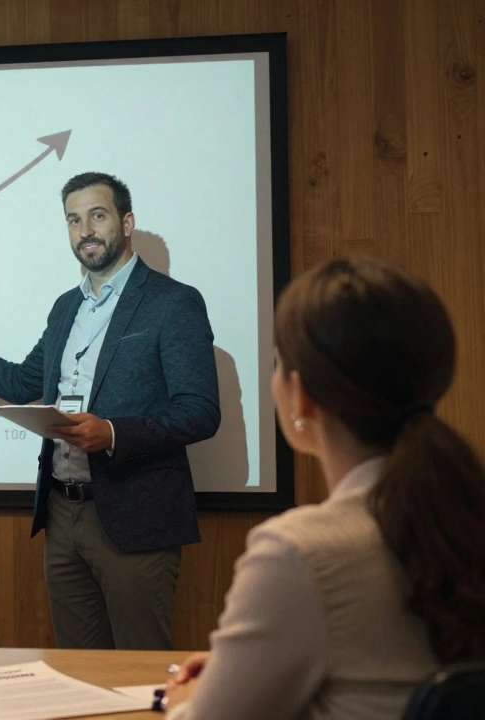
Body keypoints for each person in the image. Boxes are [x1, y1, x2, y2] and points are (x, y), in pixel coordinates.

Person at [163, 255, 485, 718]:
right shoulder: (464, 515)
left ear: (302, 396)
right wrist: (252, 665)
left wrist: (187, 701)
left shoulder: (299, 555)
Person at [0, 172, 219, 650]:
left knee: (139, 672)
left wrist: (112, 432)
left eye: (97, 215)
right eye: (74, 220)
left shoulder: (172, 303)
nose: (85, 231)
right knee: (78, 671)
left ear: (127, 221)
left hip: (133, 516)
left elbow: (199, 411)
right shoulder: (64, 309)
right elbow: (22, 383)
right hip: (61, 512)